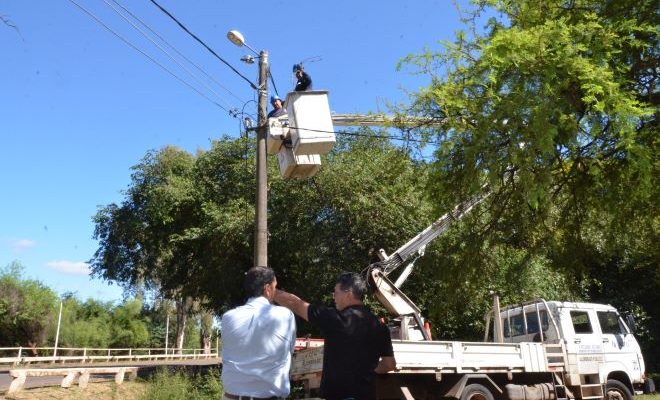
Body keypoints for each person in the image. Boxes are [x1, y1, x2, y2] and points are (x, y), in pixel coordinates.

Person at [274, 272, 396, 400]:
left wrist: (272, 291)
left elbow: (297, 304)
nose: (334, 297)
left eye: (336, 292)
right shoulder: (380, 326)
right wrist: (367, 371)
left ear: (348, 294)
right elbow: (389, 364)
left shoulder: (335, 319)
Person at [221, 266, 296, 399]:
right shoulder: (285, 315)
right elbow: (289, 352)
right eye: (275, 287)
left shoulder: (228, 317)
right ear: (267, 289)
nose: (275, 292)